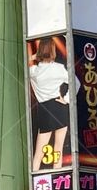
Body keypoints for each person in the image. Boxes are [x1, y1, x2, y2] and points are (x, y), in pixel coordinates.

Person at [29, 38, 69, 172]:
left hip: (45, 109)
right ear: (53, 51)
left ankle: (35, 178)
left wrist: (34, 56)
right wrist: (66, 99)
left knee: (39, 152)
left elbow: (25, 61)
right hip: (59, 107)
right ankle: (57, 176)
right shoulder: (59, 68)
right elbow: (76, 83)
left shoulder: (34, 71)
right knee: (58, 149)